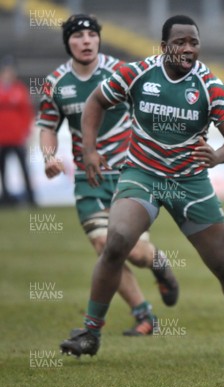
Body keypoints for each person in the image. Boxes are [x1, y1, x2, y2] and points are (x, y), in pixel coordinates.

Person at [59, 15, 224, 357]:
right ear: (164, 47)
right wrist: (89, 150)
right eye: (181, 42)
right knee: (115, 243)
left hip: (190, 182)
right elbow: (96, 102)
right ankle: (90, 332)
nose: (188, 49)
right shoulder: (138, 73)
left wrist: (218, 156)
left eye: (194, 42)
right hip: (142, 175)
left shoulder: (211, 85)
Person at [37, 14, 179, 337]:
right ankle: (144, 313)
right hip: (89, 180)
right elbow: (47, 126)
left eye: (91, 34)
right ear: (68, 43)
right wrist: (48, 157)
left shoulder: (120, 73)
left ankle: (159, 264)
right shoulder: (56, 82)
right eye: (77, 35)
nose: (85, 40)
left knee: (136, 252)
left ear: (99, 39)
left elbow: (154, 106)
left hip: (131, 175)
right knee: (105, 247)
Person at [0, 56, 36, 206]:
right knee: (3, 171)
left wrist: (26, 131)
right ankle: (6, 197)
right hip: (1, 138)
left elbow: (27, 113)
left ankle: (30, 197)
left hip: (17, 138)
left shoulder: (20, 89)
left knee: (24, 168)